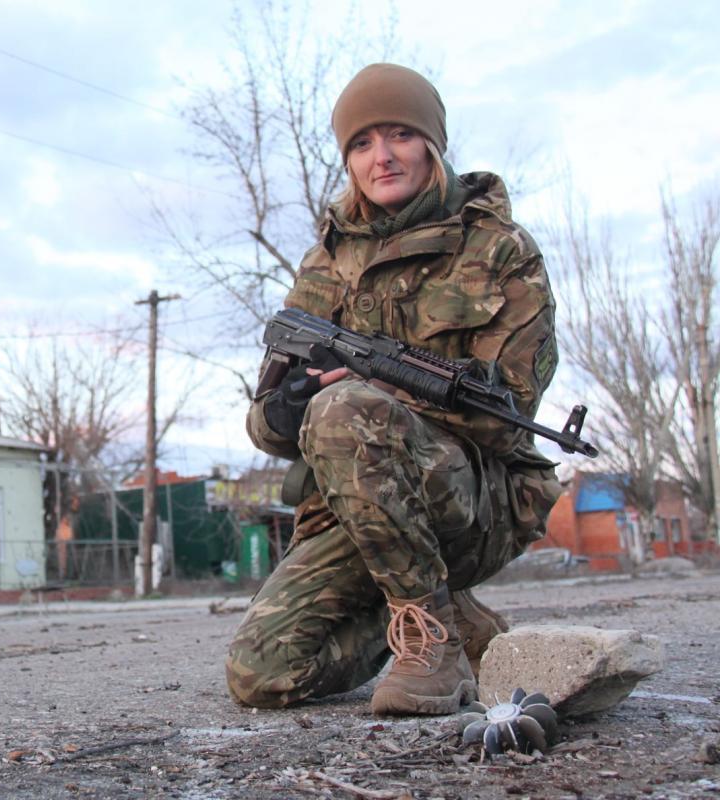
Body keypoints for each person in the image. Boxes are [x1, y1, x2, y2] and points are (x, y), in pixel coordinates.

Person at [225, 63, 563, 716]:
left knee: (344, 408)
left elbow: (509, 417)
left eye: (400, 135)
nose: (382, 157)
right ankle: (454, 618)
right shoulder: (328, 261)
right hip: (363, 509)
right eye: (361, 142)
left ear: (431, 143)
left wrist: (372, 387)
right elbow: (267, 428)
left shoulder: (499, 251)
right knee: (262, 673)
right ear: (348, 159)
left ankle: (429, 643)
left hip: (478, 498)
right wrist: (287, 405)